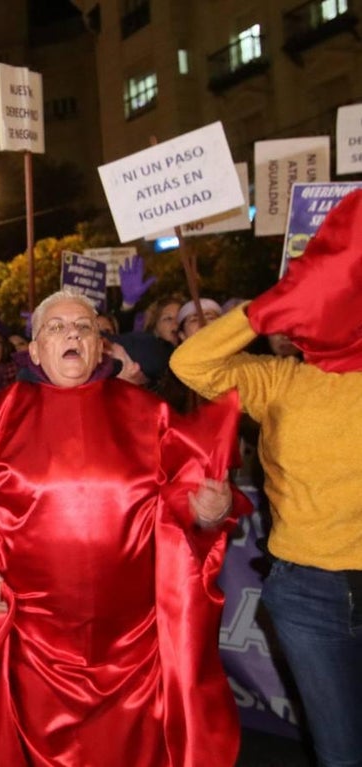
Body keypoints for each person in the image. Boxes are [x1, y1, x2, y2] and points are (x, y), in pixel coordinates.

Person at [0, 288, 245, 766]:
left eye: (83, 327)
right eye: (56, 328)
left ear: (100, 345)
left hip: (134, 649)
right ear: (34, 351)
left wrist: (210, 511)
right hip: (34, 643)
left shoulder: (151, 415)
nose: (72, 334)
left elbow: (191, 505)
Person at [169, 188, 362, 767]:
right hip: (311, 594)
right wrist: (261, 310)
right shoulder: (278, 380)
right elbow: (190, 364)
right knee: (342, 752)